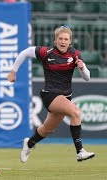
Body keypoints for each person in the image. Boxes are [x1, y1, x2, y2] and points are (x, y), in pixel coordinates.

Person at [7, 25, 95, 163]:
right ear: (55, 40)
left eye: (66, 39)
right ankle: (80, 151)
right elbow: (24, 53)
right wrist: (13, 71)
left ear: (70, 41)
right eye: (60, 38)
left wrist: (82, 68)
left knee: (47, 129)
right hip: (50, 95)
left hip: (65, 96)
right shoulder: (46, 52)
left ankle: (29, 143)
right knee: (76, 112)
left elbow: (87, 77)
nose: (63, 41)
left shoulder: (75, 54)